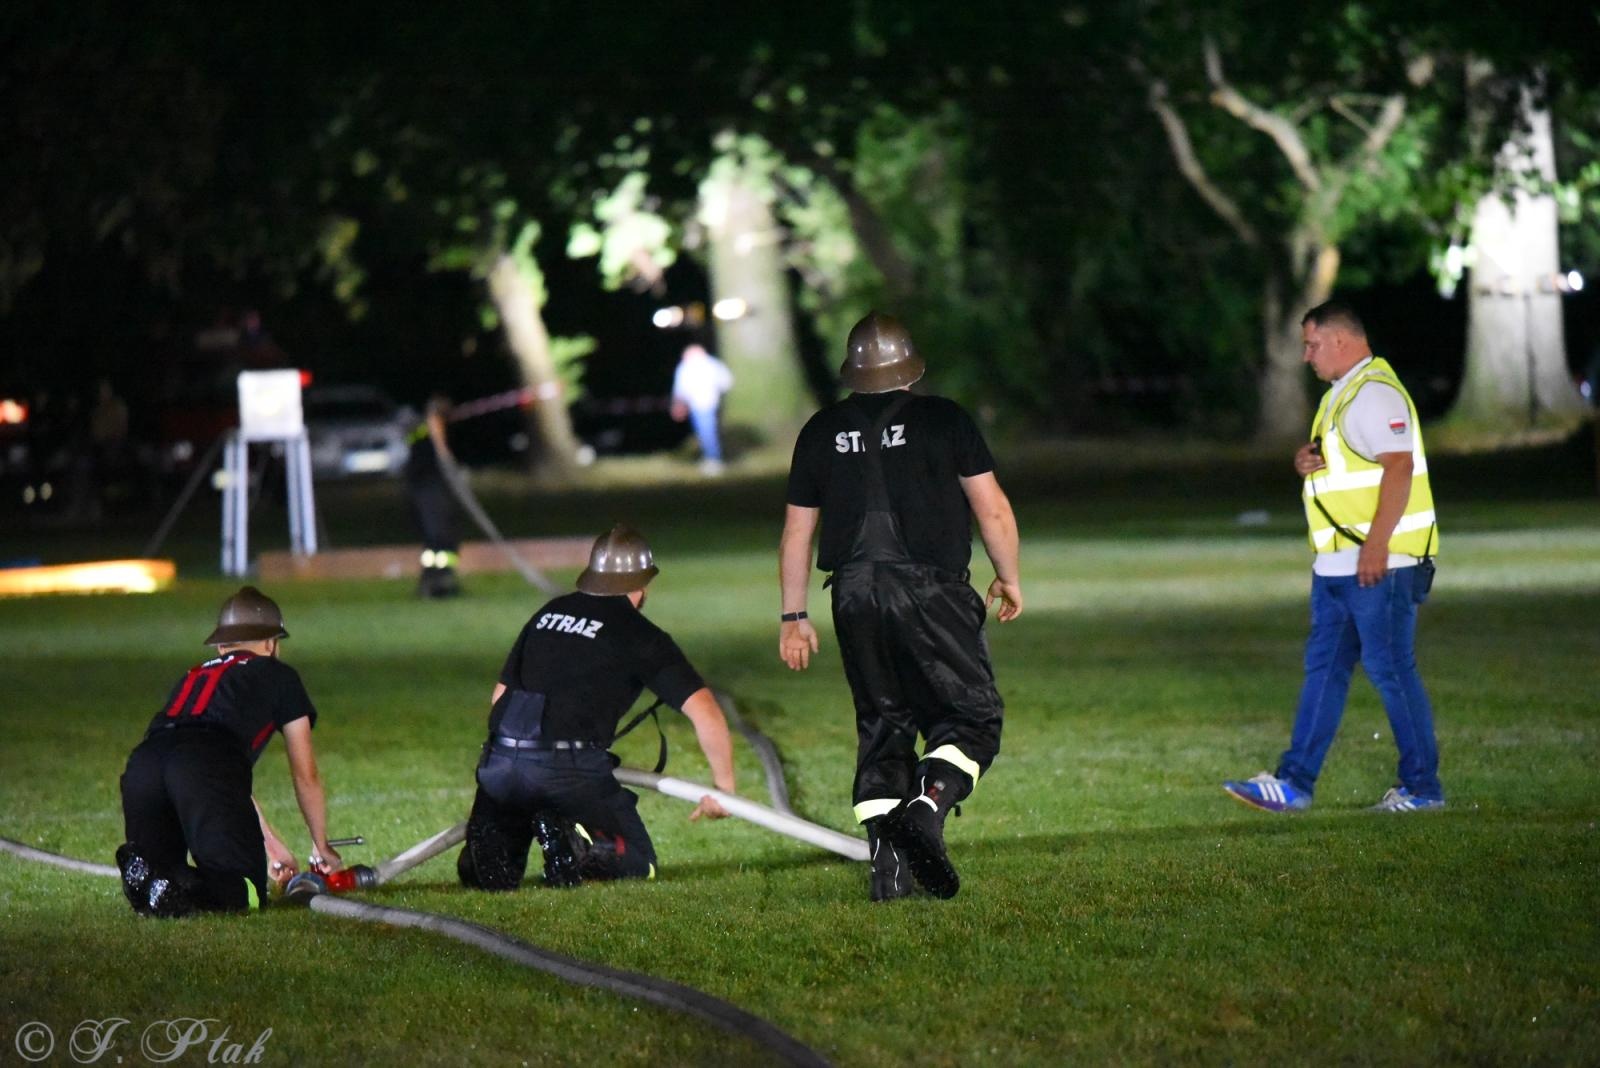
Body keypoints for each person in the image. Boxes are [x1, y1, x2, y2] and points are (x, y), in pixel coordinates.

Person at [778, 312, 1022, 901]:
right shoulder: (946, 420)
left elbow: (795, 534)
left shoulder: (819, 430)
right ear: (911, 369)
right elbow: (991, 509)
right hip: (931, 589)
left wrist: (793, 617)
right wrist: (1008, 577)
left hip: (854, 594)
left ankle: (888, 871)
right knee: (971, 718)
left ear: (853, 372)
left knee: (883, 724)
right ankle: (926, 810)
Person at [1224, 300, 1443, 815]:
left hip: (1380, 565)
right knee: (1325, 670)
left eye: (1312, 343)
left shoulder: (1375, 393)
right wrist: (1308, 461)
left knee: (1390, 669)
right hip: (1338, 566)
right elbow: (1354, 463)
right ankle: (1294, 784)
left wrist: (1378, 545)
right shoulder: (1341, 396)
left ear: (1342, 340)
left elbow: (1397, 469)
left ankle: (1423, 788)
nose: (1306, 356)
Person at [457, 524, 736, 890]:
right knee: (640, 863)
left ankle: (486, 859)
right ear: (642, 585)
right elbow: (705, 711)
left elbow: (499, 696)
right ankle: (579, 847)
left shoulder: (549, 613)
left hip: (500, 762)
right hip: (565, 771)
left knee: (490, 876)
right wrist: (724, 787)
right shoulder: (641, 635)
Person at [116, 586, 342, 917]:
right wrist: (321, 846)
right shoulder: (280, 676)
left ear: (222, 645)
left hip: (144, 765)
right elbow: (304, 774)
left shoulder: (193, 676)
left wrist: (272, 846)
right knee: (245, 893)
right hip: (204, 764)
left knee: (160, 878)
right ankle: (179, 886)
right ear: (270, 643)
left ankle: (153, 875)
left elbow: (228, 786)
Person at [404, 393, 463, 598]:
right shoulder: (430, 430)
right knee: (439, 536)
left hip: (427, 489)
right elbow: (441, 451)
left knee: (441, 537)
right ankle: (436, 583)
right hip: (429, 489)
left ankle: (439, 581)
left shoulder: (419, 433)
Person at [670, 341, 734, 474]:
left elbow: (726, 381)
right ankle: (710, 458)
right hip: (693, 404)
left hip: (708, 403)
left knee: (707, 431)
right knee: (702, 432)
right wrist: (679, 404)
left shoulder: (710, 365)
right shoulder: (686, 367)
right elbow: (680, 388)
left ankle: (714, 460)